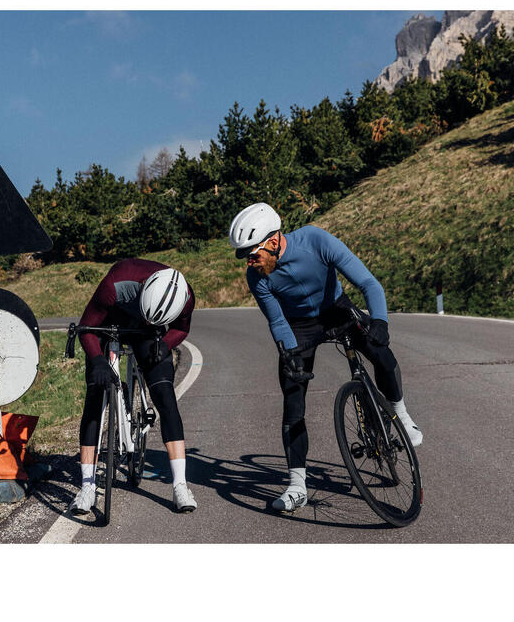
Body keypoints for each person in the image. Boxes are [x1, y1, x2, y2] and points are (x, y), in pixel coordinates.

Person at [228, 202, 422, 512]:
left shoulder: (315, 241)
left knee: (380, 353)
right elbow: (277, 320)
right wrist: (289, 353)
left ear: (274, 240)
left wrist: (381, 322)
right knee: (292, 399)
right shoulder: (257, 278)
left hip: (337, 310)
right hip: (299, 327)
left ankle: (402, 415)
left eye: (253, 254)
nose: (250, 263)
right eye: (245, 258)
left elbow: (368, 282)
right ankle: (296, 486)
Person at [68, 259, 197, 515]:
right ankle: (87, 486)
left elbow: (181, 328)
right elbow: (86, 329)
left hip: (149, 334)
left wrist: (166, 344)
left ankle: (180, 485)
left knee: (164, 395)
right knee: (95, 394)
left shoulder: (185, 296)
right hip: (106, 325)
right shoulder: (115, 285)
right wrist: (97, 360)